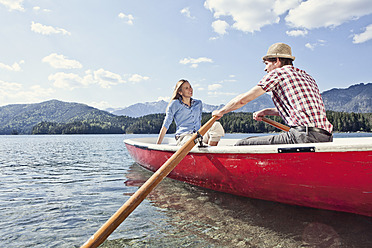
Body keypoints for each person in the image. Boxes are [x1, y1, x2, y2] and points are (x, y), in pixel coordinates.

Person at [212, 42, 333, 145]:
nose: (265, 69)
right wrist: (266, 112)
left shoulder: (278, 74)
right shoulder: (307, 76)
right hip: (326, 137)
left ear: (277, 61)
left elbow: (243, 100)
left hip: (303, 137)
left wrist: (221, 111)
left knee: (242, 144)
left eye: (266, 64)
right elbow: (300, 110)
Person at [157, 79, 225, 146]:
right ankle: (202, 147)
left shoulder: (198, 103)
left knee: (216, 125)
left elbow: (198, 123)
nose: (190, 89)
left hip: (199, 135)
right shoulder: (175, 104)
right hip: (184, 137)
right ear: (180, 92)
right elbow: (165, 126)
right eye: (186, 88)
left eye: (190, 87)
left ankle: (209, 153)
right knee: (192, 141)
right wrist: (157, 145)